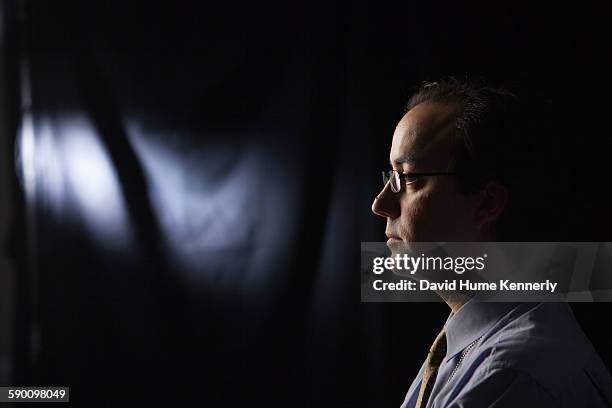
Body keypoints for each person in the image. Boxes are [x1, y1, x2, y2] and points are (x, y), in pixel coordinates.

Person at [371, 78, 612, 407]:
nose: (380, 203)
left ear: (486, 204)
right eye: (390, 175)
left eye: (409, 176)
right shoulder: (469, 349)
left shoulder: (512, 378)